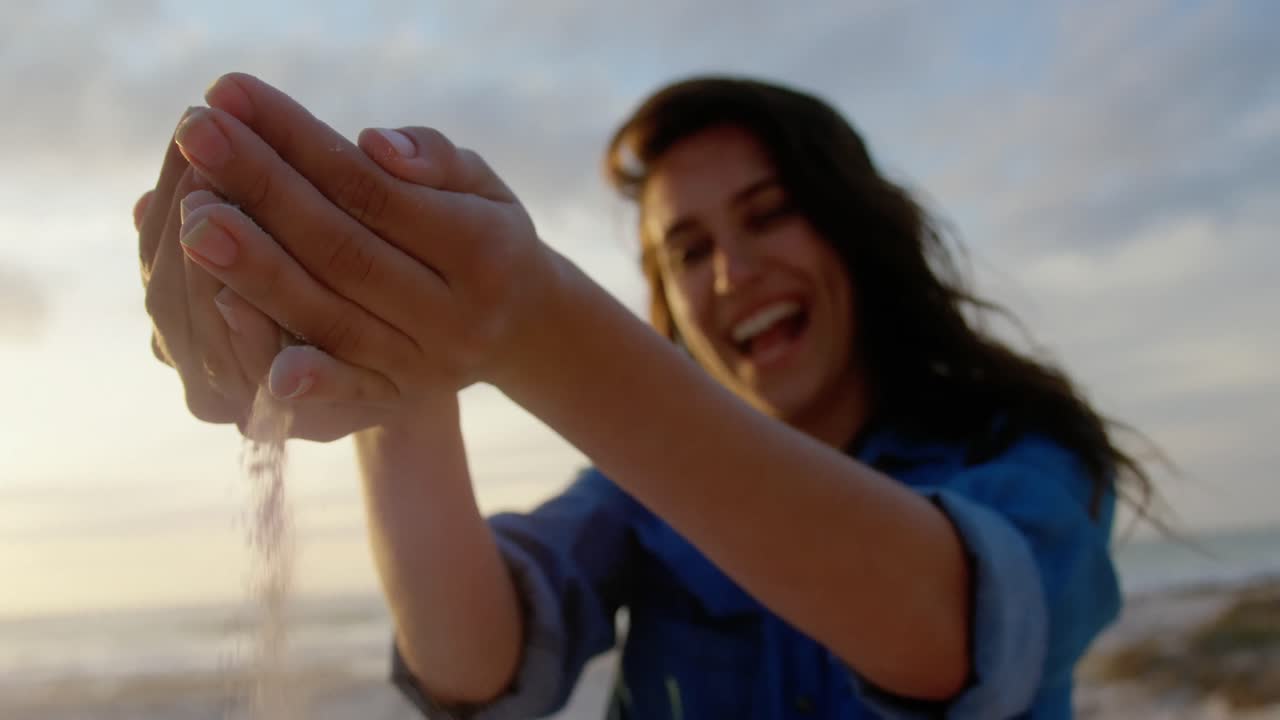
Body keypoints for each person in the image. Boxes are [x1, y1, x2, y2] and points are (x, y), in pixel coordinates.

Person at [134, 72, 1153, 718]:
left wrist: (529, 320)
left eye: (767, 218)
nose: (729, 275)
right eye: (688, 250)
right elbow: (472, 662)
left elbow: (954, 631)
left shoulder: (1026, 451)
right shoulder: (631, 495)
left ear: (857, 229)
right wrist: (389, 370)